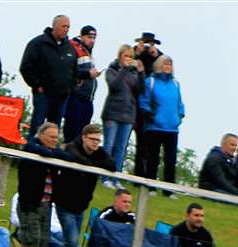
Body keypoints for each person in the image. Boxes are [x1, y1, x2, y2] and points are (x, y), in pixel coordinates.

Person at [51, 122, 110, 247]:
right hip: (64, 203)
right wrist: (93, 165)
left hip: (81, 205)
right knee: (71, 240)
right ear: (84, 137)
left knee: (71, 241)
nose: (95, 143)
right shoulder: (72, 147)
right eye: (93, 139)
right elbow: (73, 157)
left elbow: (111, 166)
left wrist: (97, 160)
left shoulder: (99, 153)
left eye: (98, 140)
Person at [134, 55, 183, 185]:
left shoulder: (175, 83)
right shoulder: (151, 81)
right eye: (165, 64)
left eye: (170, 64)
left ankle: (169, 189)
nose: (168, 67)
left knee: (171, 160)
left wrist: (180, 116)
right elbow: (143, 101)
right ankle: (151, 186)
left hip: (172, 128)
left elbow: (179, 103)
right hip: (154, 127)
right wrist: (151, 116)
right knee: (153, 158)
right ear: (159, 65)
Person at [19, 16, 73, 128]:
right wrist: (37, 85)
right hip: (43, 95)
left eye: (68, 27)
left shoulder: (69, 47)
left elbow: (73, 69)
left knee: (54, 131)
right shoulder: (38, 43)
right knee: (37, 128)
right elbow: (26, 67)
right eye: (63, 26)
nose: (66, 29)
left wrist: (70, 87)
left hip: (61, 97)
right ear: (54, 26)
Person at [98, 44, 142, 176]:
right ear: (120, 56)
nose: (128, 59)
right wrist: (124, 69)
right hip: (112, 113)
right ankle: (104, 176)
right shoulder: (112, 70)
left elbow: (141, 91)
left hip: (128, 114)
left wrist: (141, 73)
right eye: (126, 56)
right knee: (109, 145)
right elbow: (115, 86)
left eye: (130, 56)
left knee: (121, 148)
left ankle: (116, 176)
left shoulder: (133, 73)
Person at [61, 24, 101, 140]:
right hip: (76, 96)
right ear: (81, 36)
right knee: (73, 132)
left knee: (83, 134)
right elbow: (70, 71)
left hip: (88, 98)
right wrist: (87, 74)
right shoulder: (74, 48)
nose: (92, 40)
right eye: (89, 37)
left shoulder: (88, 53)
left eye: (94, 38)